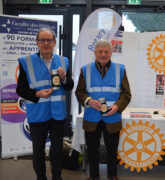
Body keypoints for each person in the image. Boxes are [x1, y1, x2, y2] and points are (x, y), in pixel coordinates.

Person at [16, 28, 74, 180]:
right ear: (37, 42)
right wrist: (37, 94)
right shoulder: (26, 62)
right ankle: (41, 177)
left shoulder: (63, 61)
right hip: (37, 112)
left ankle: (57, 177)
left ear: (54, 42)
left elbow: (69, 86)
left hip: (58, 114)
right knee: (38, 151)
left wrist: (64, 78)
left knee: (57, 151)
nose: (46, 43)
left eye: (49, 40)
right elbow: (20, 89)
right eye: (42, 40)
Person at [75, 40, 131, 180]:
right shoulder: (85, 69)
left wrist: (117, 106)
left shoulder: (120, 69)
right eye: (100, 51)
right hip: (92, 117)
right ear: (95, 53)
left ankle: (112, 175)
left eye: (106, 52)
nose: (103, 54)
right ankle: (94, 176)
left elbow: (126, 94)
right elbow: (80, 92)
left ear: (111, 53)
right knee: (92, 151)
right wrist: (88, 101)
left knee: (112, 150)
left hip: (112, 117)